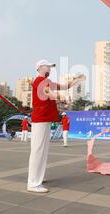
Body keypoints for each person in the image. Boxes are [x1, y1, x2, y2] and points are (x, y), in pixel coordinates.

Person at [27, 59, 85, 193]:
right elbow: (48, 92)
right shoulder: (38, 81)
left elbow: (65, 86)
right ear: (40, 67)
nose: (50, 69)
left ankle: (38, 178)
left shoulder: (48, 82)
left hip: (45, 118)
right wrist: (61, 98)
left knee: (43, 150)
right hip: (40, 118)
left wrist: (77, 79)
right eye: (48, 67)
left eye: (51, 67)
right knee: (38, 150)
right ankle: (33, 183)